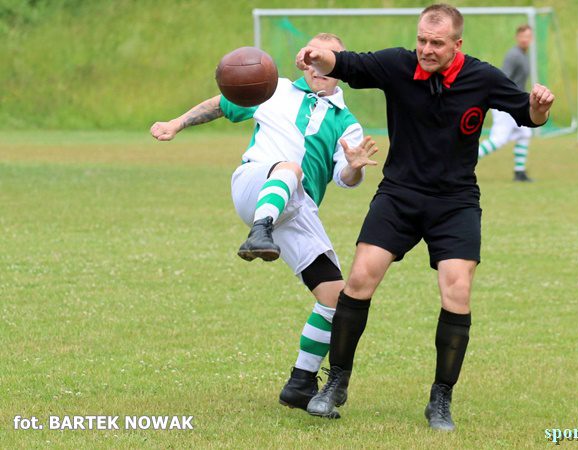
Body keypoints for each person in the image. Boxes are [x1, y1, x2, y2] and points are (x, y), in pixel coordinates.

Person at [295, 4, 554, 431]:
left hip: (455, 202)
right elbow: (350, 64)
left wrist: (540, 105)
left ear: (457, 44)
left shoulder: (482, 77)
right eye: (421, 40)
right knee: (359, 278)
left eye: (436, 43)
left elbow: (528, 115)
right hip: (399, 195)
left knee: (458, 289)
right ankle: (335, 383)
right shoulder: (398, 64)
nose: (426, 49)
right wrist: (318, 57)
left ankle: (440, 401)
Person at [150, 33, 378, 411]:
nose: (318, 66)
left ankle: (301, 383)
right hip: (255, 185)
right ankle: (259, 231)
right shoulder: (273, 90)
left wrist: (354, 168)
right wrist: (177, 123)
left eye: (330, 58)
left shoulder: (347, 123)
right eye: (312, 58)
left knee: (336, 298)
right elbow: (223, 104)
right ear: (303, 62)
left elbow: (346, 180)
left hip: (297, 208)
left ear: (340, 65)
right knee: (289, 167)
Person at [478, 24, 536, 182]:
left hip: (514, 103)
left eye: (528, 36)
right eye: (523, 36)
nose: (526, 39)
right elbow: (504, 79)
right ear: (517, 38)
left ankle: (519, 172)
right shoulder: (514, 56)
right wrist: (506, 102)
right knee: (498, 140)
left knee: (525, 133)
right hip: (506, 104)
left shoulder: (524, 55)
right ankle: (462, 161)